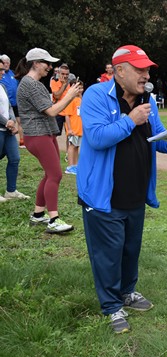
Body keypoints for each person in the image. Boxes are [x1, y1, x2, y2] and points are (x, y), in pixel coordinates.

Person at [77, 45, 167, 334]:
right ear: (119, 71)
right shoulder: (95, 96)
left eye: (148, 69)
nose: (146, 75)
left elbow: (156, 138)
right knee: (107, 253)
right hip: (103, 194)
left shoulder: (146, 98)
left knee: (129, 249)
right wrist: (130, 120)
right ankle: (112, 306)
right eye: (140, 69)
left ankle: (127, 291)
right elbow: (98, 137)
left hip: (136, 191)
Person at [15, 48, 82, 232]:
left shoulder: (35, 83)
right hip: (37, 136)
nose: (50, 67)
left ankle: (38, 215)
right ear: (36, 63)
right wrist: (71, 94)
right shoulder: (30, 84)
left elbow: (50, 107)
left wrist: (68, 95)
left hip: (44, 134)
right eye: (47, 63)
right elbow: (52, 111)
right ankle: (54, 220)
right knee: (55, 175)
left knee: (49, 174)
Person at [0, 65, 28, 203]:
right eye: (0, 70)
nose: (3, 72)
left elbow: (9, 106)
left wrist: (11, 121)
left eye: (3, 70)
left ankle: (11, 191)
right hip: (2, 128)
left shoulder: (2, 87)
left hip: (8, 131)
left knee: (15, 158)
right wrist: (6, 122)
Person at [0, 55, 23, 147]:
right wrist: (8, 123)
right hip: (3, 124)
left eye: (7, 63)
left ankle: (22, 140)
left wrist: (12, 121)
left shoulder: (13, 74)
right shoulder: (2, 77)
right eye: (4, 63)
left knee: (20, 121)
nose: (6, 65)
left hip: (14, 103)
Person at [63, 84, 83, 175]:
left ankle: (75, 165)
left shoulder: (80, 100)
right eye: (78, 88)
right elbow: (67, 115)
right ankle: (70, 166)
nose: (80, 90)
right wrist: (69, 129)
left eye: (81, 88)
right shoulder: (71, 100)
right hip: (74, 128)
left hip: (80, 129)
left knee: (76, 146)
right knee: (72, 146)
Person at [50, 63, 71, 135]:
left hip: (69, 112)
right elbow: (57, 96)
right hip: (58, 111)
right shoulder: (54, 81)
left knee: (70, 135)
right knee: (54, 134)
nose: (65, 76)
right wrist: (64, 85)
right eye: (63, 74)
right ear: (58, 73)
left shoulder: (71, 83)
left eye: (67, 74)